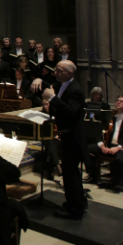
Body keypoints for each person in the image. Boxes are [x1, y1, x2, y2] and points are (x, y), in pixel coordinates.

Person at [33, 60, 88, 219]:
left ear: (70, 73)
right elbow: (49, 85)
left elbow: (70, 111)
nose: (55, 72)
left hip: (73, 137)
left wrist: (52, 99)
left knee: (70, 175)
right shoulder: (63, 85)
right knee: (72, 173)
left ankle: (74, 210)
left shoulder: (76, 90)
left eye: (59, 70)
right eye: (56, 69)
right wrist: (39, 80)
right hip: (67, 135)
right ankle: (80, 201)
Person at [86, 95, 123, 193]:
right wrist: (102, 146)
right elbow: (100, 134)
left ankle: (114, 182)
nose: (118, 102)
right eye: (117, 100)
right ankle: (93, 175)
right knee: (86, 148)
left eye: (122, 101)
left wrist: (118, 148)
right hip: (109, 146)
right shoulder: (110, 118)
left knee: (120, 159)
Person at [41, 99, 62, 179]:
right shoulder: (41, 115)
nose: (46, 106)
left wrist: (58, 135)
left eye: (47, 104)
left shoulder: (56, 113)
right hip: (46, 138)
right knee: (50, 142)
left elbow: (60, 126)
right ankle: (57, 165)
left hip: (56, 138)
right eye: (44, 105)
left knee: (51, 146)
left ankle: (51, 170)